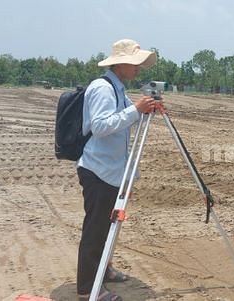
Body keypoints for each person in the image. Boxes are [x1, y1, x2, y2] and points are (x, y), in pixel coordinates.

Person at [76, 38, 158, 301]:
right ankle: (88, 288)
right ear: (121, 63)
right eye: (135, 64)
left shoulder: (118, 88)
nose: (139, 69)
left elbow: (120, 124)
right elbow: (100, 126)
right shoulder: (102, 88)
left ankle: (104, 269)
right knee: (96, 229)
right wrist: (136, 109)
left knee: (109, 226)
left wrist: (141, 111)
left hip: (112, 171)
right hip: (98, 171)